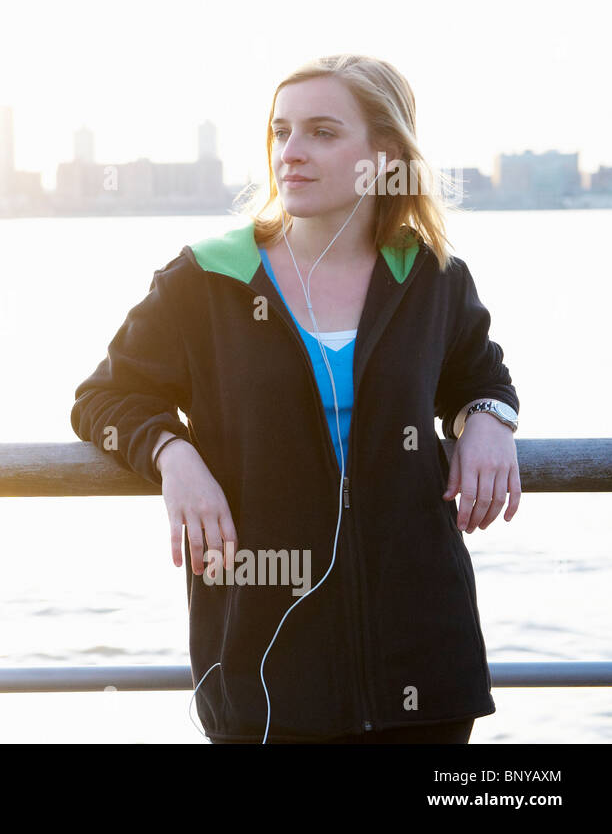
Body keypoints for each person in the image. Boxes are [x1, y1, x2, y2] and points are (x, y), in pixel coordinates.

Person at [70, 54, 522, 744]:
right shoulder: (208, 278)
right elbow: (104, 399)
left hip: (425, 670)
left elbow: (480, 376)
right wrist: (173, 454)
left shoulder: (431, 275)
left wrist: (489, 419)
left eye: (321, 132)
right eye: (281, 132)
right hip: (265, 678)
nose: (292, 153)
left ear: (385, 153)